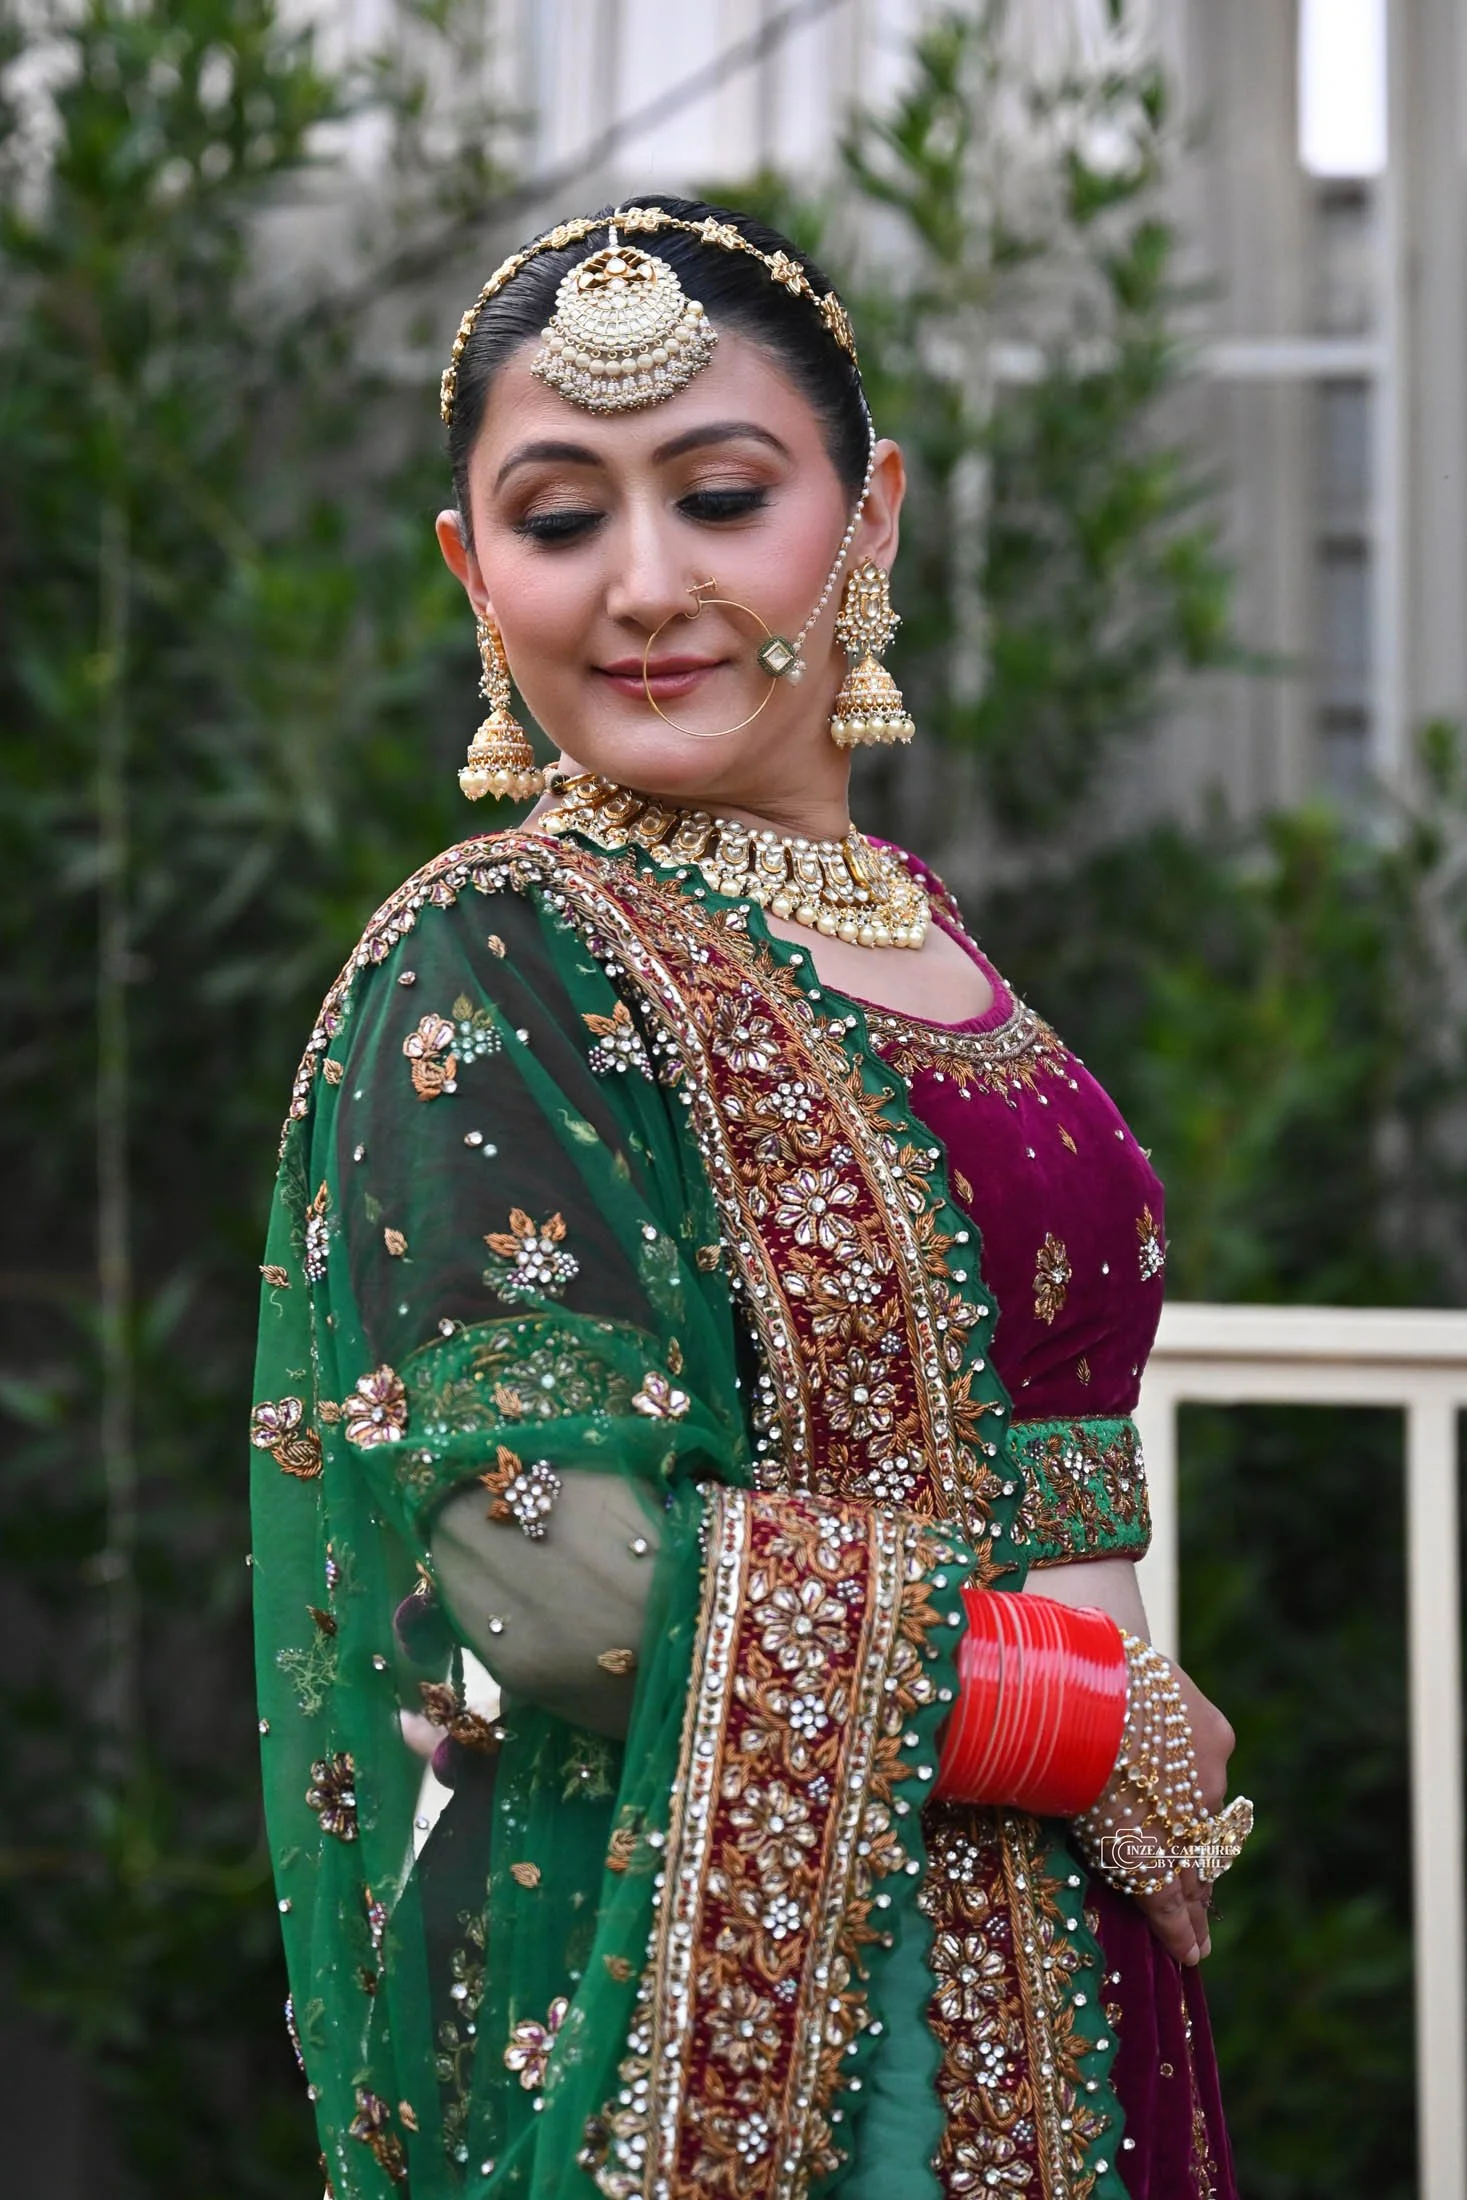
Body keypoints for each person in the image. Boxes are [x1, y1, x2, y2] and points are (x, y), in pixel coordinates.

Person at [250, 195, 1251, 2200]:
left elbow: (1029, 1449)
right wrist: (1078, 1721)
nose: (645, 585)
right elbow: (551, 1560)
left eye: (720, 495)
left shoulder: (927, 939)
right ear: (472, 568)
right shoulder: (506, 950)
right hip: (760, 2009)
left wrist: (1134, 1742)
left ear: (866, 518)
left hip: (1077, 1962)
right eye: (558, 518)